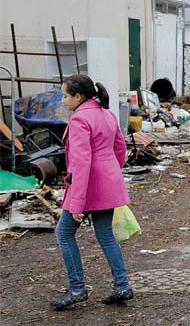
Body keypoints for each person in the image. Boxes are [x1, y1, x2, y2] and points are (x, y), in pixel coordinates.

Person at [51, 74, 133, 310]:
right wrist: (110, 174)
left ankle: (77, 289)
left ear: (78, 96)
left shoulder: (79, 119)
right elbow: (120, 148)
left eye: (65, 96)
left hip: (86, 187)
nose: (63, 101)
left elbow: (81, 163)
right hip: (107, 185)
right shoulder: (107, 114)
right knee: (106, 235)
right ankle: (122, 285)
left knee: (64, 233)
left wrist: (76, 203)